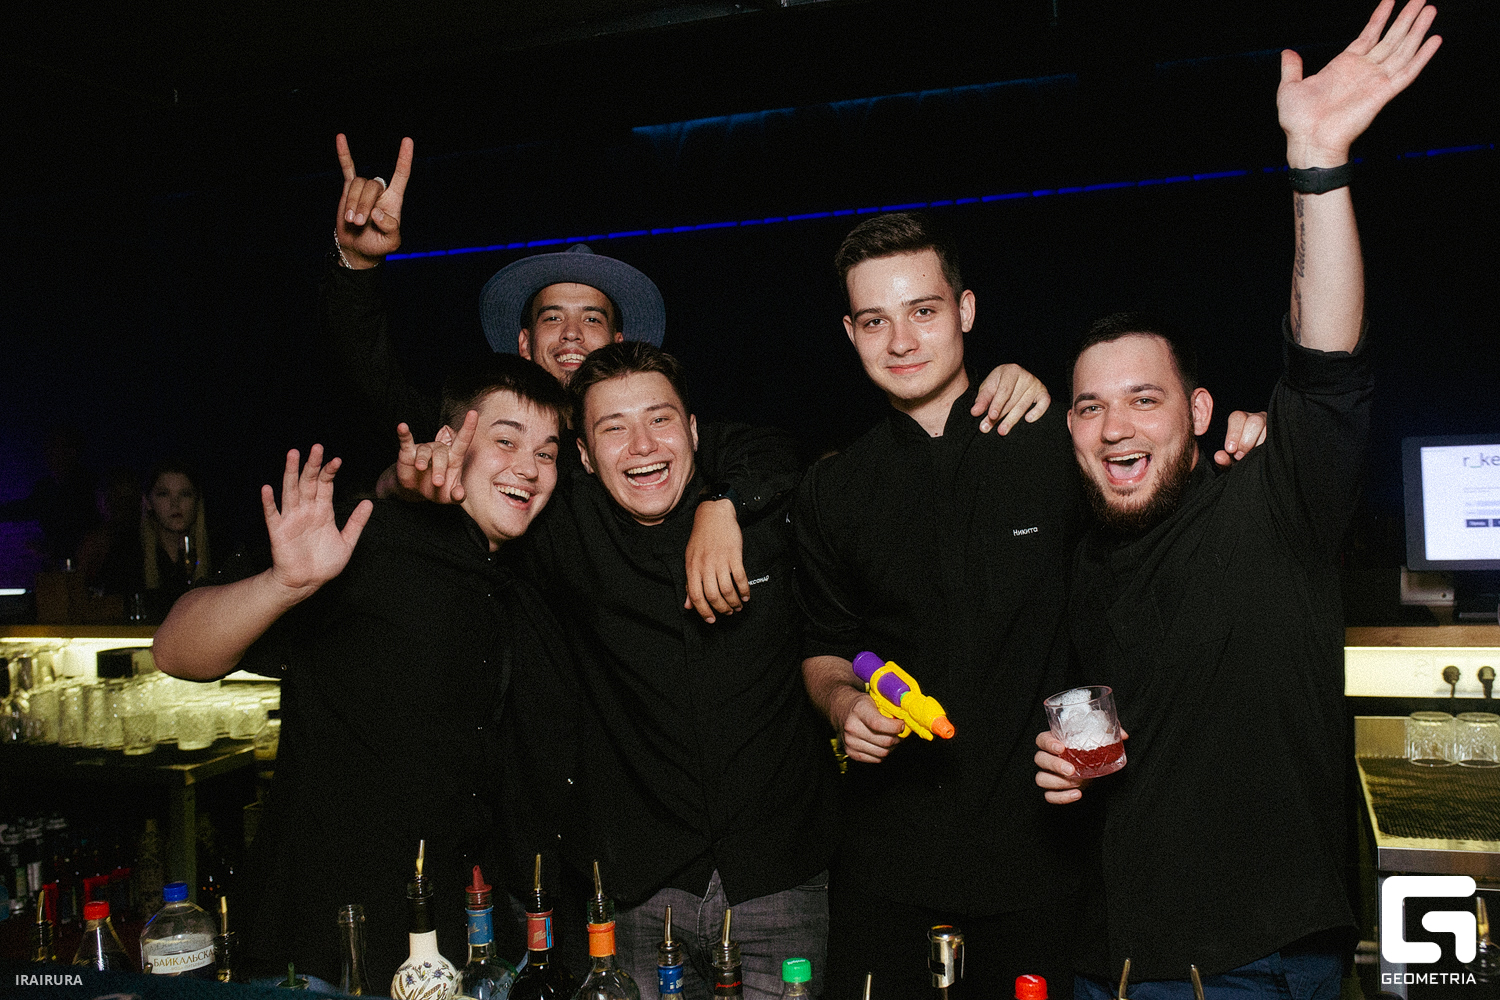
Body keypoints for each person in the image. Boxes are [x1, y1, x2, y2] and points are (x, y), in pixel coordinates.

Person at [1034, 3, 1440, 996]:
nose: (1115, 426)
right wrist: (1060, 769)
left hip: (1259, 956)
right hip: (1115, 959)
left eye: (1145, 399)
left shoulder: (1273, 498)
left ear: (1202, 411)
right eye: (1090, 406)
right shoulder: (1080, 559)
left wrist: (1318, 166)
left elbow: (1327, 362)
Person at [795, 212, 1267, 998]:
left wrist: (1250, 439)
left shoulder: (1057, 445)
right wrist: (843, 701)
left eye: (923, 310)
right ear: (850, 333)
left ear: (966, 310)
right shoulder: (834, 489)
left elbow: (1160, 516)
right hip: (887, 866)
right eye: (875, 320)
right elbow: (824, 644)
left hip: (1044, 863)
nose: (901, 341)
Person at [152, 354, 578, 987]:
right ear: (449, 444)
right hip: (326, 949)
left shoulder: (521, 576)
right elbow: (176, 650)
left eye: (546, 453)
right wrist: (283, 583)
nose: (529, 467)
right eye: (506, 441)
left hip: (460, 945)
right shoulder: (368, 539)